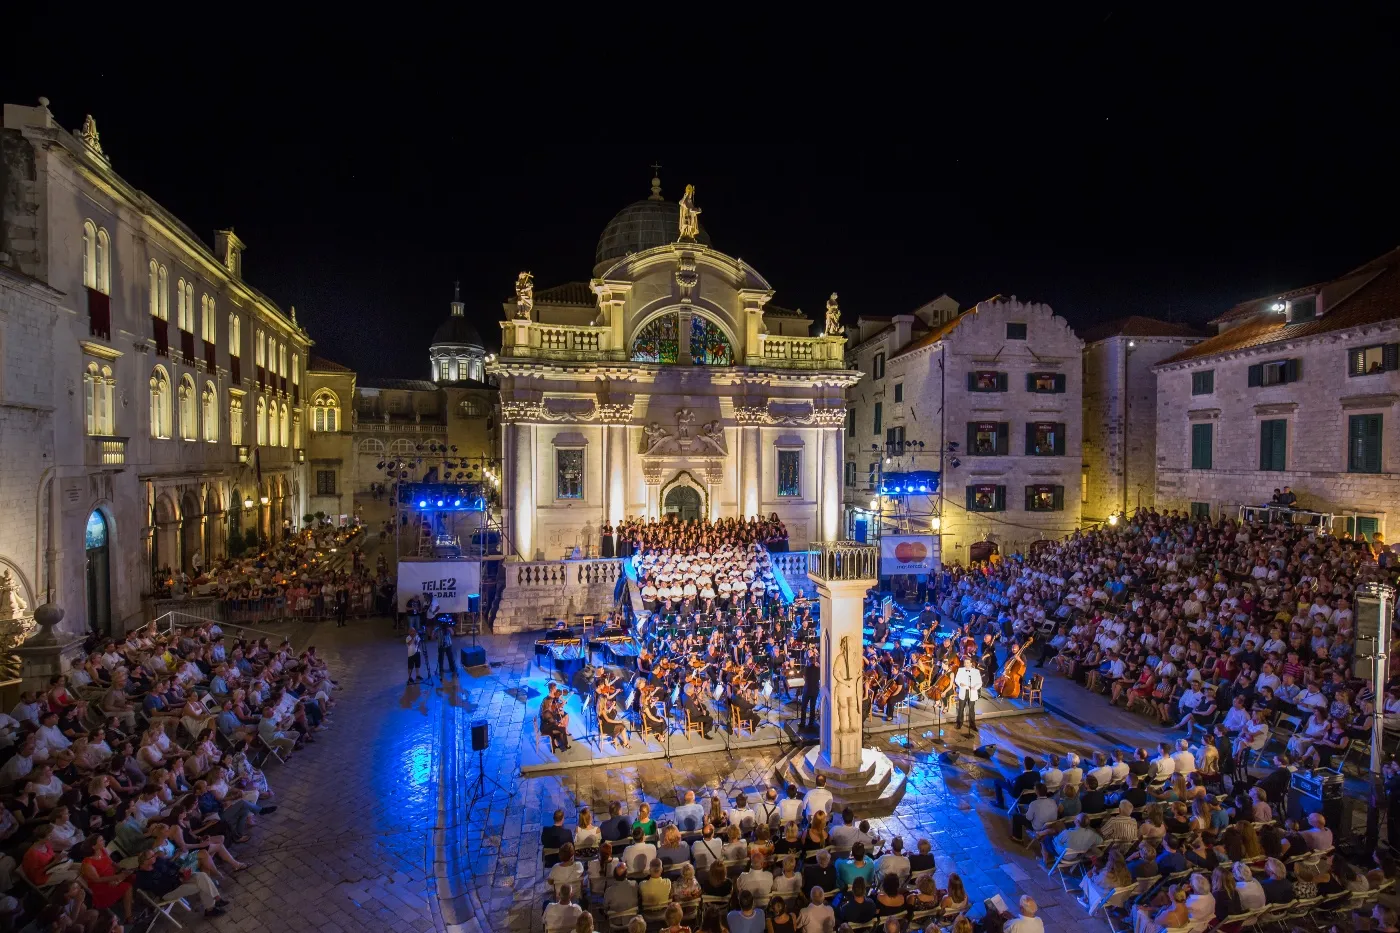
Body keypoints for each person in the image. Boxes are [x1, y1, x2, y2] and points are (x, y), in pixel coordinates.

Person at [131, 847, 228, 918]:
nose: (155, 856)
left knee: (202, 875)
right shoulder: (142, 876)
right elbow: (159, 888)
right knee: (200, 885)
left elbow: (172, 865)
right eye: (152, 856)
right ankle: (210, 908)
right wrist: (179, 880)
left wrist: (182, 871)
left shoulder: (158, 860)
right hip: (169, 891)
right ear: (145, 861)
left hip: (179, 879)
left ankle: (216, 900)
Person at [954, 656, 982, 734]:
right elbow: (956, 679)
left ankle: (972, 725)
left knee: (971, 709)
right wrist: (960, 684)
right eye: (965, 663)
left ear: (971, 663)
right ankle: (959, 723)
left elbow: (979, 682)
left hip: (972, 692)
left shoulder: (976, 671)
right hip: (963, 691)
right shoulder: (960, 670)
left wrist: (975, 687)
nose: (966, 664)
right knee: (961, 709)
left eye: (967, 663)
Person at [801, 653, 820, 729]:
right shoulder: (818, 669)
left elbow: (804, 677)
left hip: (807, 689)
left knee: (804, 707)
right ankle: (811, 723)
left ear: (809, 661)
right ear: (815, 661)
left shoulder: (806, 668)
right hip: (815, 690)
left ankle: (803, 723)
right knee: (812, 707)